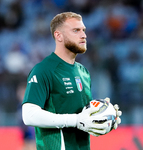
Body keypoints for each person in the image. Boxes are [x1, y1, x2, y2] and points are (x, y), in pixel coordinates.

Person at [22, 12, 122, 150]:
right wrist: (75, 120)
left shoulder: (84, 72)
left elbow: (83, 119)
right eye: (76, 30)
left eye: (83, 30)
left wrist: (105, 118)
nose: (84, 35)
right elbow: (29, 115)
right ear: (59, 36)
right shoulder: (43, 70)